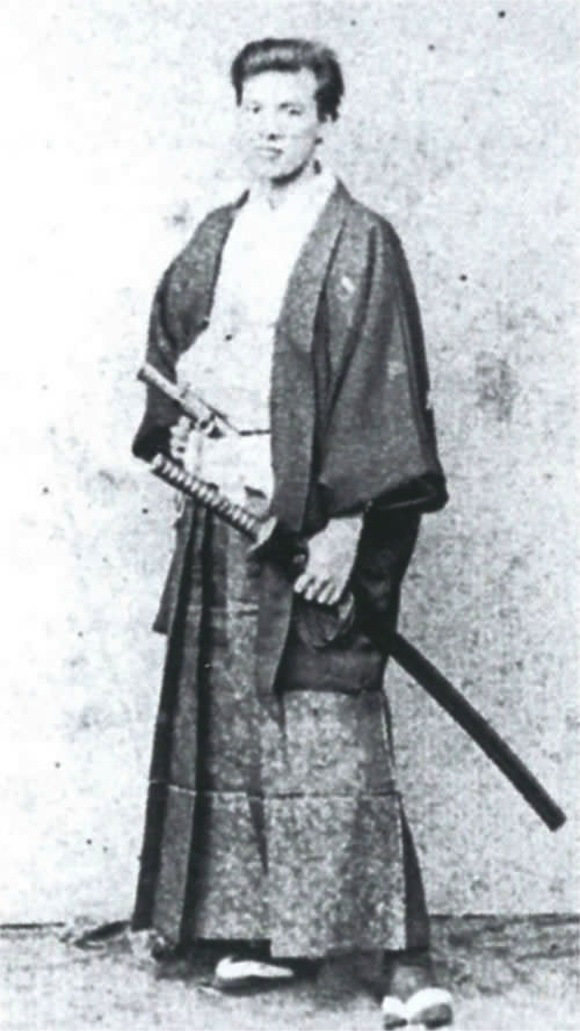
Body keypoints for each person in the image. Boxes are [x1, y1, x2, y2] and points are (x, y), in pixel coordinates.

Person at [132, 37, 452, 1029]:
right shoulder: (217, 234)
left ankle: (403, 957)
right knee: (233, 722)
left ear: (325, 123)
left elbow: (381, 392)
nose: (269, 128)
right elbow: (167, 353)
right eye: (255, 108)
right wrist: (177, 427)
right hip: (223, 511)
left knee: (329, 725)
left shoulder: (359, 241)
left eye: (291, 110)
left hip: (311, 517)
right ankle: (261, 933)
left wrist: (350, 524)